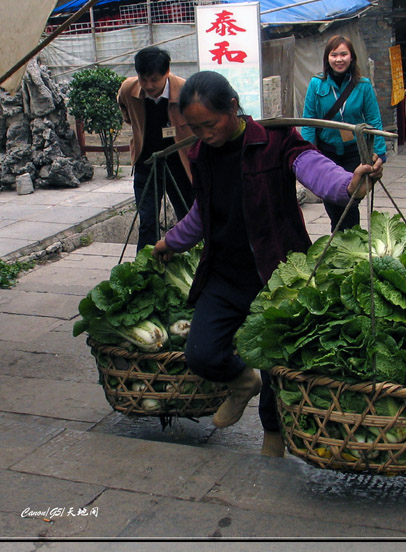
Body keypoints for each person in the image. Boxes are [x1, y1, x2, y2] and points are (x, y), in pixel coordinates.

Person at [152, 70, 383, 458]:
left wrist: (349, 186)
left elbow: (314, 169)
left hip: (275, 273)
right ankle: (242, 380)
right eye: (194, 127)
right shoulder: (202, 154)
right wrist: (171, 241)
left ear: (233, 108)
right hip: (224, 273)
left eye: (209, 124)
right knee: (201, 354)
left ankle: (273, 432)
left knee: (276, 362)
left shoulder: (275, 141)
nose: (203, 133)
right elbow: (202, 214)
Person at [300, 35, 387, 233]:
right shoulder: (316, 84)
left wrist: (379, 154)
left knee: (350, 201)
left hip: (354, 154)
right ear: (327, 58)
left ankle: (348, 242)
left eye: (343, 54)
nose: (339, 59)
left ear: (351, 57)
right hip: (326, 153)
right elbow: (308, 121)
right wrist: (306, 154)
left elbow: (374, 121)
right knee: (331, 201)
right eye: (334, 55)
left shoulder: (363, 85)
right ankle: (342, 241)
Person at [117, 47, 194, 252]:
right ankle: (147, 270)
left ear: (166, 72)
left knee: (187, 216)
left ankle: (193, 265)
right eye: (143, 79)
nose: (148, 86)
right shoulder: (128, 89)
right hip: (146, 162)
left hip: (179, 164)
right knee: (147, 220)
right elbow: (123, 107)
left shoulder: (186, 92)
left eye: (154, 80)